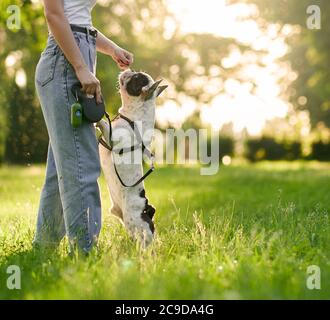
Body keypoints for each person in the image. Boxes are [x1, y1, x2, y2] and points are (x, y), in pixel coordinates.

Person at [34, 0, 133, 254]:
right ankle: (85, 251)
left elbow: (78, 21)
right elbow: (54, 15)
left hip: (78, 51)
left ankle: (44, 248)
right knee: (83, 164)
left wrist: (112, 49)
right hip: (65, 62)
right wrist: (80, 67)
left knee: (62, 167)